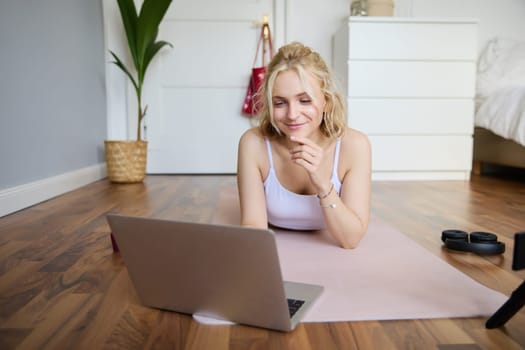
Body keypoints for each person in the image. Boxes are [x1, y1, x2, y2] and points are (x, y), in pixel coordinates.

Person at [237, 42, 371, 249]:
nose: (292, 114)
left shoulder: (354, 146)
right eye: (280, 103)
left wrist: (322, 183)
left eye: (305, 101)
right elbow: (254, 226)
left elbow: (350, 239)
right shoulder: (253, 143)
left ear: (326, 101)